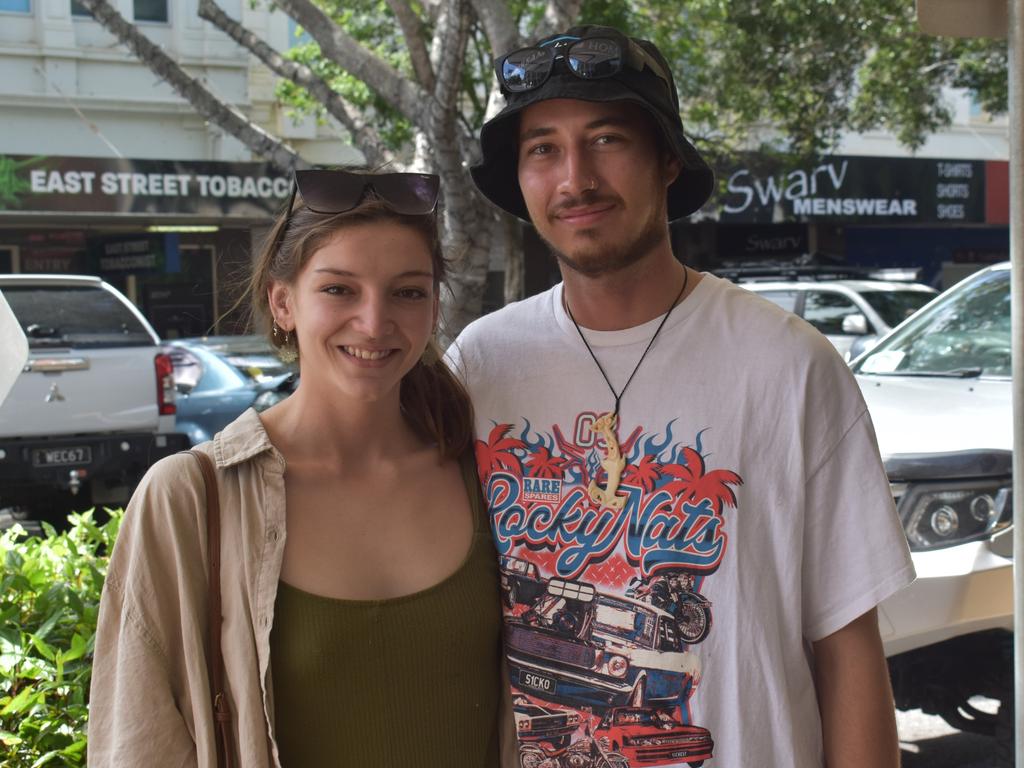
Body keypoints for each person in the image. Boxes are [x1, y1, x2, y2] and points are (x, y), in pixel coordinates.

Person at [447, 24, 915, 768]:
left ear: (667, 160)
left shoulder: (789, 367)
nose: (576, 179)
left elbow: (847, 648)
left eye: (606, 139)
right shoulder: (479, 364)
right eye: (543, 148)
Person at [88, 169, 504, 767]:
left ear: (435, 306)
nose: (374, 321)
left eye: (408, 292)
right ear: (283, 302)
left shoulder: (485, 477)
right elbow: (134, 741)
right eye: (339, 289)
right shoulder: (191, 497)